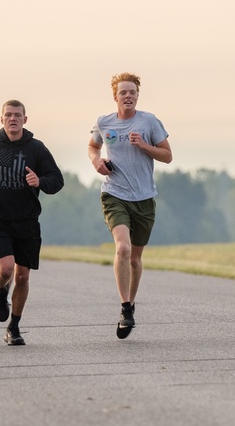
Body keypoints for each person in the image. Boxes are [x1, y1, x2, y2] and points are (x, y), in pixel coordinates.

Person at [0, 100, 64, 346]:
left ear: (25, 119)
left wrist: (39, 181)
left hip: (27, 220)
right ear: (1, 119)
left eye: (17, 115)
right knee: (5, 269)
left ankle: (14, 327)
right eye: (8, 115)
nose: (13, 119)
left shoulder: (36, 148)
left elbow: (56, 180)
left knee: (23, 277)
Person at [88, 72, 172, 339]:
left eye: (132, 92)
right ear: (115, 96)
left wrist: (145, 145)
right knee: (122, 248)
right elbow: (92, 146)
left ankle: (130, 304)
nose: (128, 96)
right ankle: (124, 307)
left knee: (135, 259)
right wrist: (96, 161)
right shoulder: (104, 122)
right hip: (115, 194)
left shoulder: (149, 121)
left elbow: (168, 156)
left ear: (138, 96)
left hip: (144, 198)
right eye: (123, 92)